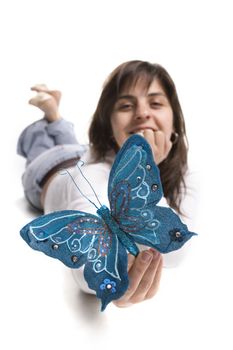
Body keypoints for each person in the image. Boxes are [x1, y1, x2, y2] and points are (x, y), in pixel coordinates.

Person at [17, 60, 191, 308]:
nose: (143, 113)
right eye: (126, 105)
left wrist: (150, 167)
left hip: (82, 152)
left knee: (69, 141)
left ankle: (55, 114)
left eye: (155, 103)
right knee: (39, 142)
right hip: (49, 167)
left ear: (175, 121)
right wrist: (110, 283)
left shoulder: (188, 173)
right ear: (109, 125)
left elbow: (176, 251)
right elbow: (85, 264)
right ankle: (51, 116)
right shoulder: (94, 173)